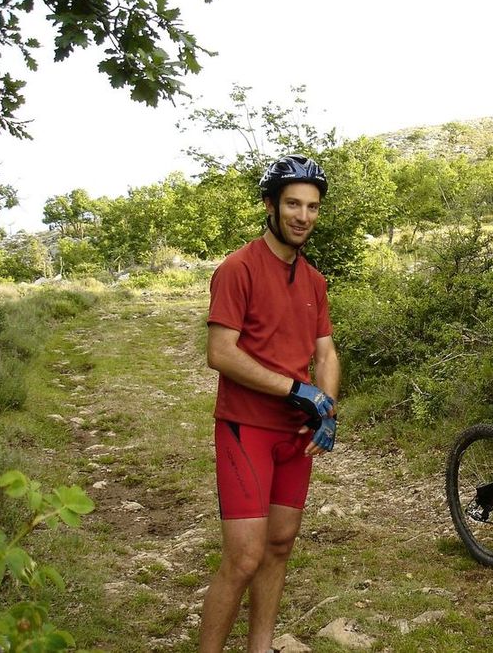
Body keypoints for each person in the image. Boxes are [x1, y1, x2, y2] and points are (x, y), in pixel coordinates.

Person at [198, 154, 341, 652]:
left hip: (293, 436)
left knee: (280, 546)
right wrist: (295, 389)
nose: (303, 216)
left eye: (312, 206)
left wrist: (327, 408)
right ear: (270, 205)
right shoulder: (238, 269)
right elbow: (220, 352)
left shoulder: (315, 280)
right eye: (293, 204)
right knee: (243, 558)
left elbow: (325, 351)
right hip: (246, 428)